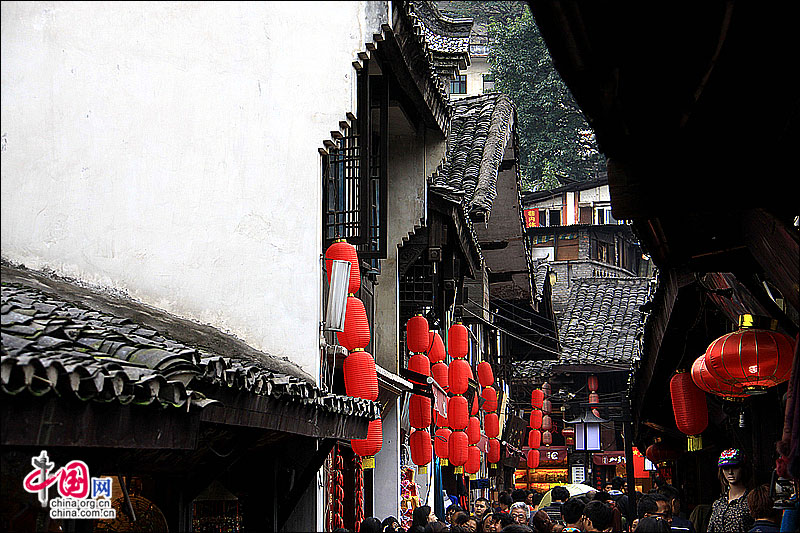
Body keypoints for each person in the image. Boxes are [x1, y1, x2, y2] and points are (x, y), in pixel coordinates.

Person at [707, 448, 754, 532]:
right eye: (726, 468)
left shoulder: (752, 501)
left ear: (742, 468)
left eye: (735, 467)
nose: (730, 472)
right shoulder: (718, 504)